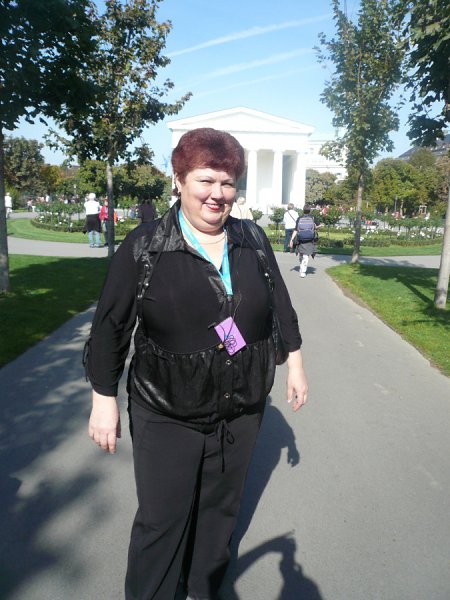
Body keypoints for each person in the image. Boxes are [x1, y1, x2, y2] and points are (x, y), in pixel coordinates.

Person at [85, 127, 308, 600]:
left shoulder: (250, 238)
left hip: (240, 408)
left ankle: (203, 589)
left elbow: (280, 304)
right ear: (179, 180)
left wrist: (296, 363)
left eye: (228, 183)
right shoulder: (145, 246)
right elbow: (110, 327)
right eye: (206, 180)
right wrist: (103, 399)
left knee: (219, 515)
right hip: (166, 410)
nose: (217, 194)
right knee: (162, 521)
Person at [290, 204, 321, 278]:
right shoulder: (313, 217)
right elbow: (317, 227)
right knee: (306, 255)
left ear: (303, 210)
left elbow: (296, 230)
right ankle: (303, 271)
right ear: (309, 211)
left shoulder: (299, 218)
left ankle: (302, 268)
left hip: (300, 239)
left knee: (301, 254)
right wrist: (317, 227)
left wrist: (291, 240)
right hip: (310, 240)